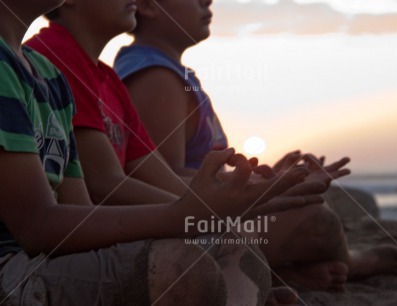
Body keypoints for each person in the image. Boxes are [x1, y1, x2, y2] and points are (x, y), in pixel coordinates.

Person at [0, 0, 315, 304]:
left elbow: (80, 207)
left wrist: (232, 202)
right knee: (183, 266)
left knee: (236, 254)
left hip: (47, 257)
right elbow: (44, 221)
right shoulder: (54, 59)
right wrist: (189, 215)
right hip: (11, 268)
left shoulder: (51, 76)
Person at [113, 0, 397, 291]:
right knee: (317, 216)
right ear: (149, 6)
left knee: (306, 193)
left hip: (210, 210)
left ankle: (278, 272)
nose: (208, 1)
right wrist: (257, 189)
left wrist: (265, 178)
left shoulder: (167, 72)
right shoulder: (155, 78)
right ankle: (353, 262)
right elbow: (158, 178)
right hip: (195, 218)